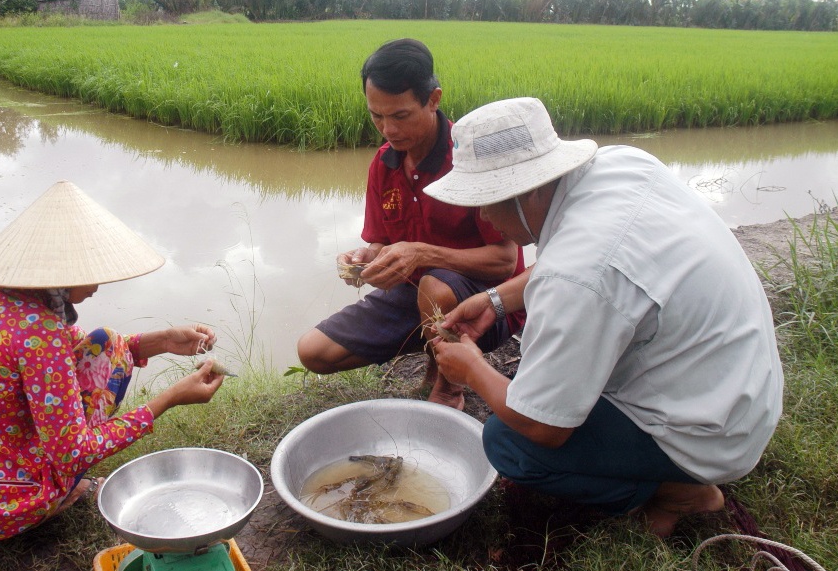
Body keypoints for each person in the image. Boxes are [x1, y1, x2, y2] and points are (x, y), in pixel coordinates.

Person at [423, 97, 784, 537]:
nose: (482, 215)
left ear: (530, 190)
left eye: (487, 201)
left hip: (707, 431)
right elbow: (594, 261)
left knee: (509, 443)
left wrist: (473, 370)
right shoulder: (621, 166)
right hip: (740, 389)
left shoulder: (577, 275)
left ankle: (677, 490)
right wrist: (496, 300)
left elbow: (542, 425)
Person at [0, 180, 226, 541]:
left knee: (106, 342)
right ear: (61, 273)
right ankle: (53, 495)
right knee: (71, 450)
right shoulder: (38, 330)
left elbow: (73, 352)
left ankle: (12, 488)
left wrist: (164, 341)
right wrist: (169, 398)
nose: (97, 285)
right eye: (90, 273)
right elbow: (74, 453)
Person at [296, 38, 525, 409]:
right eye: (376, 116)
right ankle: (425, 338)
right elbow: (381, 243)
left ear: (433, 99)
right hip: (416, 296)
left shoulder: (469, 160)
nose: (387, 129)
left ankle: (448, 384)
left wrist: (420, 254)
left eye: (400, 116)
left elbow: (504, 260)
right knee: (314, 352)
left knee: (435, 285)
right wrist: (365, 258)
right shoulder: (383, 164)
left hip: (487, 304)